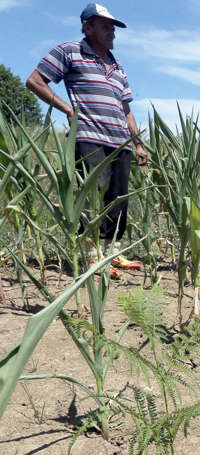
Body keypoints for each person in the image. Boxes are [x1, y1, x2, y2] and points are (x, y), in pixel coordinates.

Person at [26, 3, 146, 278]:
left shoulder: (117, 66)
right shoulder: (69, 51)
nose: (112, 32)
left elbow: (126, 110)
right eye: (105, 26)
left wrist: (138, 143)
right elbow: (35, 81)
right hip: (89, 136)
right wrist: (68, 109)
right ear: (87, 27)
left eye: (113, 27)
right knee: (92, 195)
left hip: (120, 141)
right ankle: (91, 256)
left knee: (118, 199)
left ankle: (113, 254)